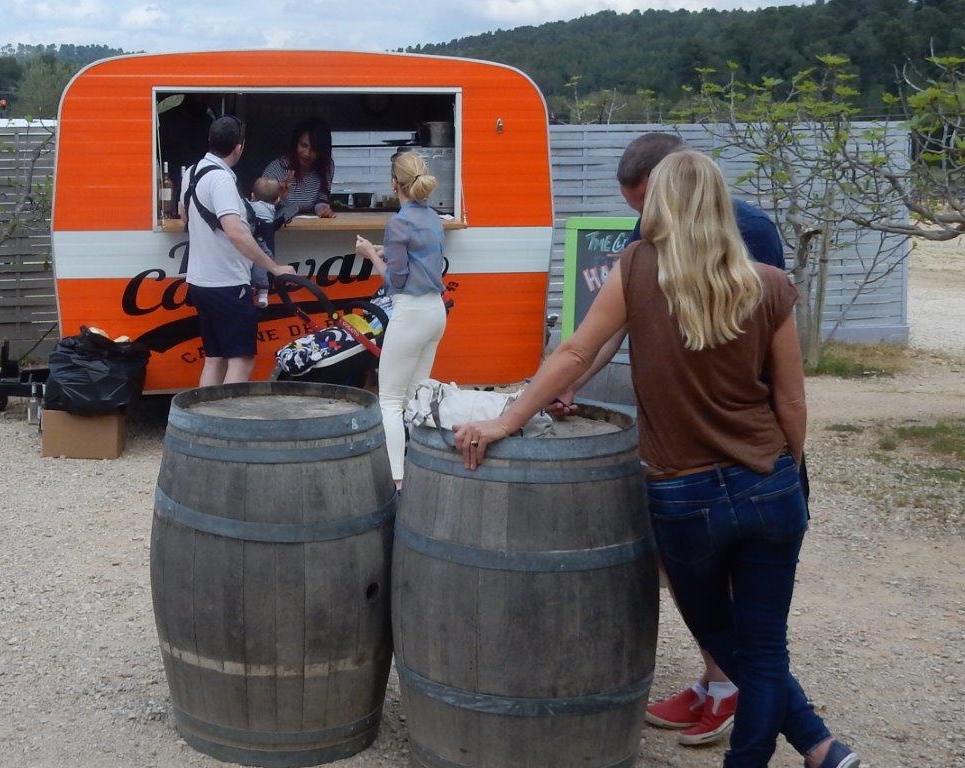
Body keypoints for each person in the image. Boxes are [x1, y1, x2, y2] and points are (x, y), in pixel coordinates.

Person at [452, 151, 859, 768]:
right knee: (764, 649)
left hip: (683, 495)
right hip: (768, 483)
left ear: (662, 203)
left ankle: (816, 747)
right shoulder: (770, 285)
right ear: (719, 203)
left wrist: (508, 418)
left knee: (721, 632)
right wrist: (787, 470)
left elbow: (576, 351)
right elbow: (793, 401)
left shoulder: (638, 267)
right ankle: (817, 748)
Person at [551, 132, 788, 747]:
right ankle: (718, 681)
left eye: (646, 203)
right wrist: (574, 379)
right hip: (675, 439)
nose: (643, 220)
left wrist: (788, 458)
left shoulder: (752, 232)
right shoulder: (646, 236)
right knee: (686, 567)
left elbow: (768, 342)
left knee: (729, 571)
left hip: (733, 440)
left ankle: (735, 690)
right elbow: (613, 321)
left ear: (675, 179)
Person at [353, 150, 447, 491]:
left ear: (394, 184)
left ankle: (396, 481)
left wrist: (370, 254)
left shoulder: (397, 223)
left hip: (410, 312)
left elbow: (395, 281)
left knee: (390, 401)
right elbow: (418, 256)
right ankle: (422, 470)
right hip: (436, 312)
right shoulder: (433, 218)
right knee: (415, 399)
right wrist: (386, 250)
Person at [179, 116, 294, 387]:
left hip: (200, 282)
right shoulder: (221, 179)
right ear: (239, 147)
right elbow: (236, 232)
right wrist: (274, 268)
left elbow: (184, 217)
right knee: (241, 360)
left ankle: (205, 414)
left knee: (215, 359)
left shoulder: (192, 172)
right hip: (228, 283)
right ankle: (226, 415)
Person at [262, 117, 336, 220]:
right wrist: (278, 197)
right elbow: (260, 208)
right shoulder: (276, 169)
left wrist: (322, 208)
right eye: (303, 145)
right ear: (295, 143)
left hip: (311, 226)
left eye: (314, 149)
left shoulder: (326, 166)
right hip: (279, 226)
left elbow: (322, 197)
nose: (307, 153)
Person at [248, 177, 285, 308]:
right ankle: (263, 296)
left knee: (248, 269)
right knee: (261, 270)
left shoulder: (248, 207)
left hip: (248, 245)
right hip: (265, 247)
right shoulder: (273, 211)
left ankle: (250, 291)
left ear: (252, 195)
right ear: (276, 200)